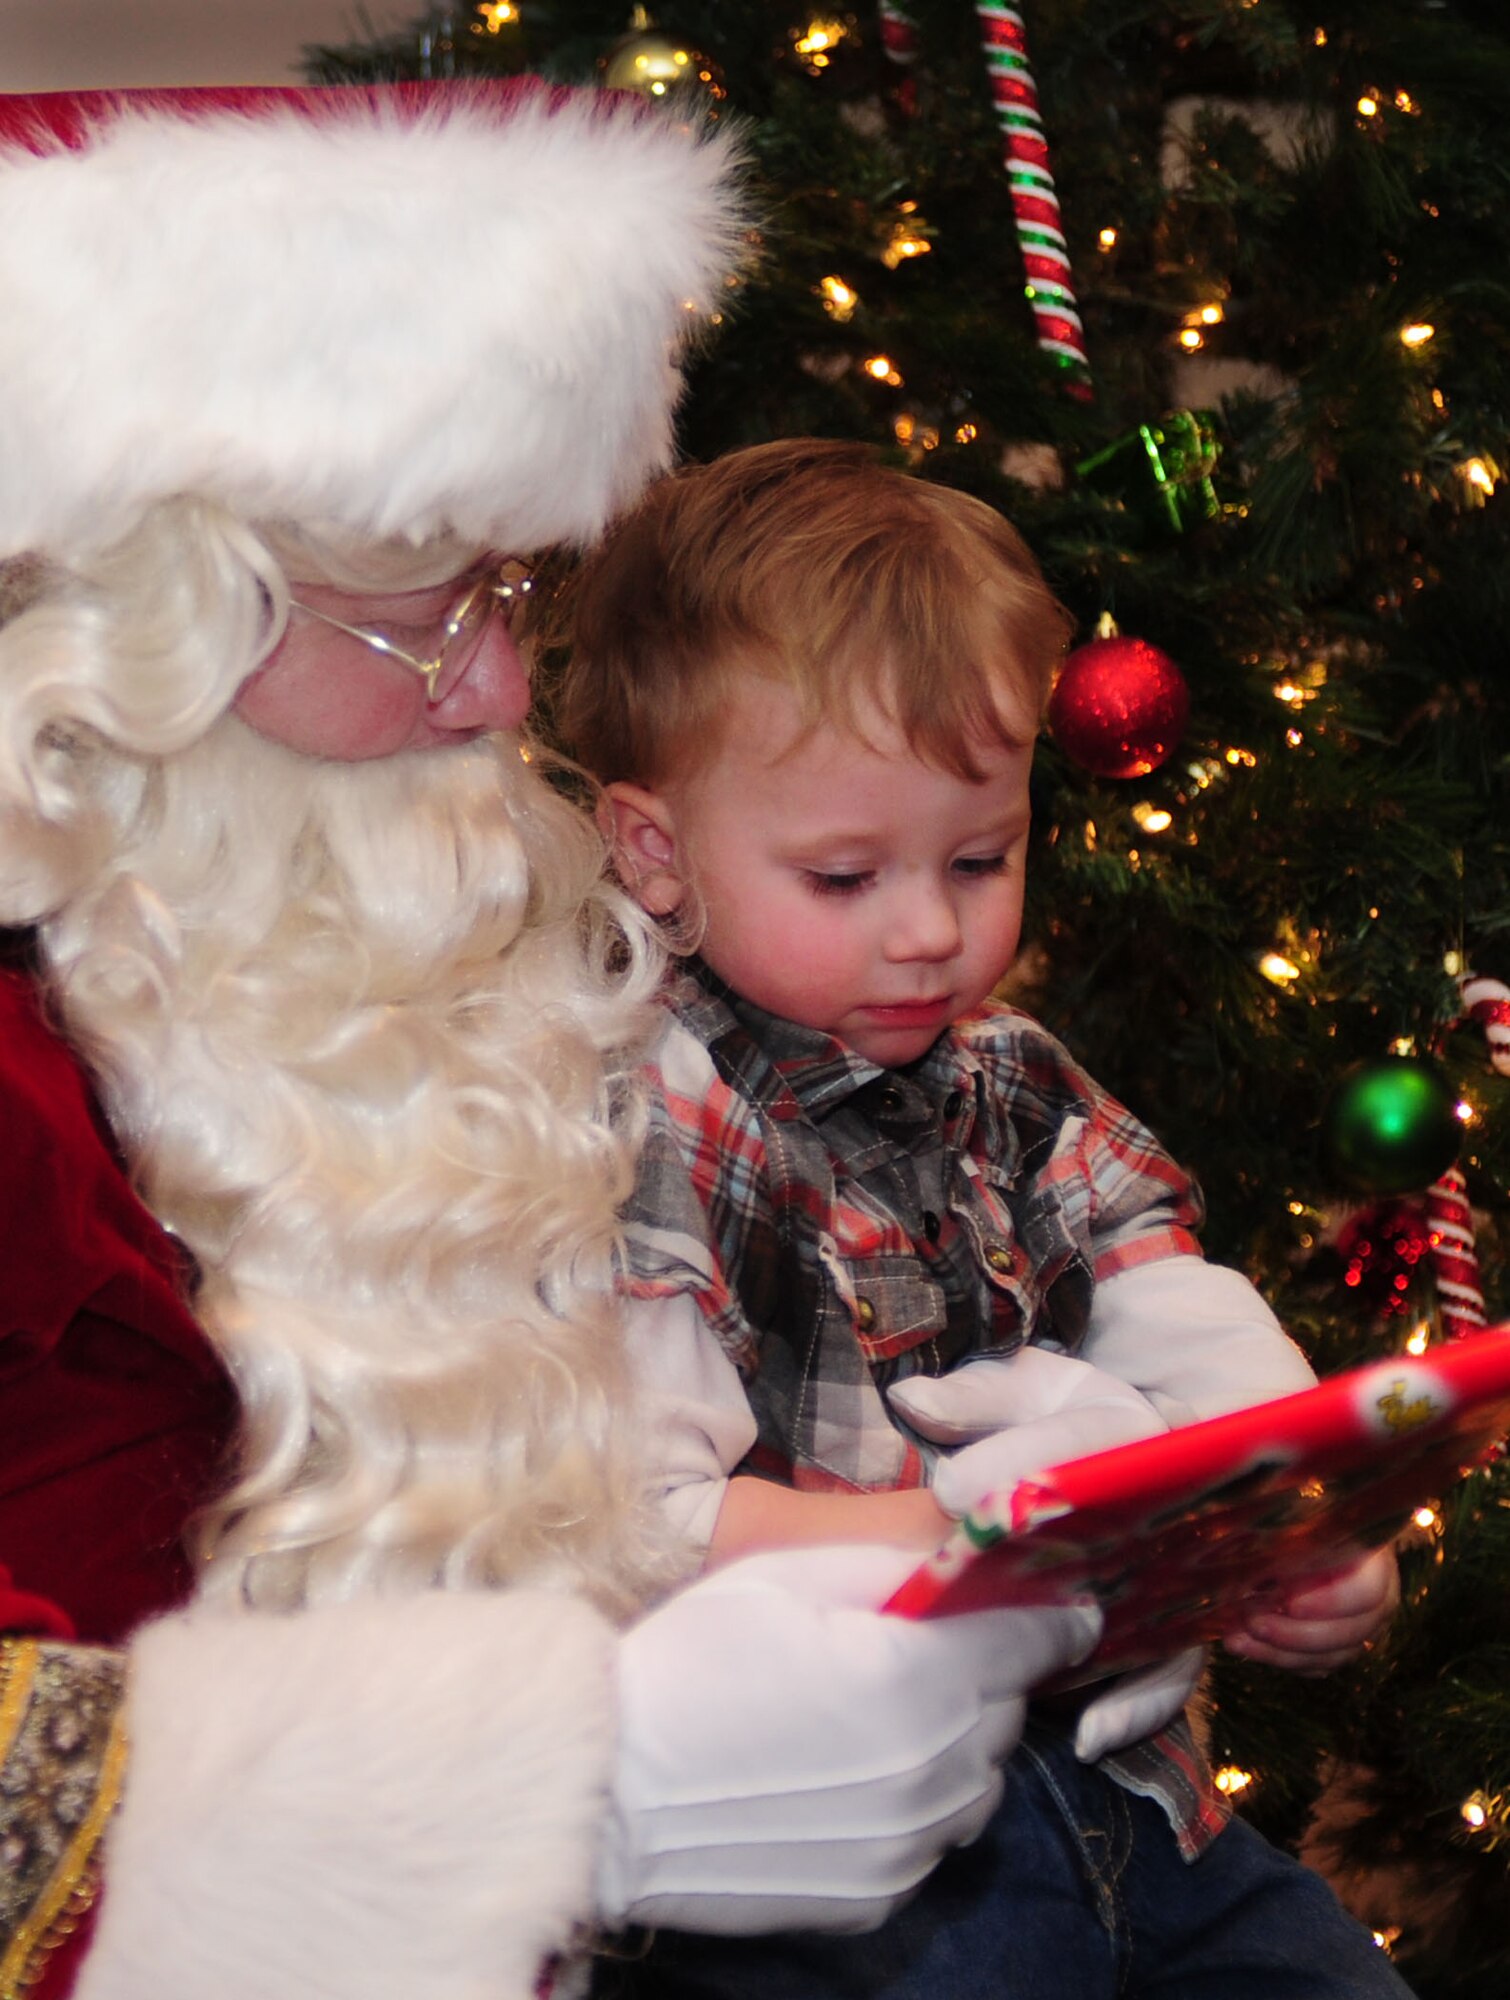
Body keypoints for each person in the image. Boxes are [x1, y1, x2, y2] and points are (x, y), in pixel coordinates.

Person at [0, 88, 1105, 2000]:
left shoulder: (374, 988)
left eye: (514, 597)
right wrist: (562, 1798)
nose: (504, 695)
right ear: (127, 629)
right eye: (427, 619)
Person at [555, 436, 1410, 1998]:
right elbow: (635, 1520)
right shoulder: (646, 1103)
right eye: (842, 876)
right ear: (653, 853)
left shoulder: (1009, 1072)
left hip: (1133, 1790)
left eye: (979, 855)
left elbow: (1173, 1298)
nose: (931, 929)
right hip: (852, 1856)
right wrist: (961, 1545)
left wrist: (1299, 1511)